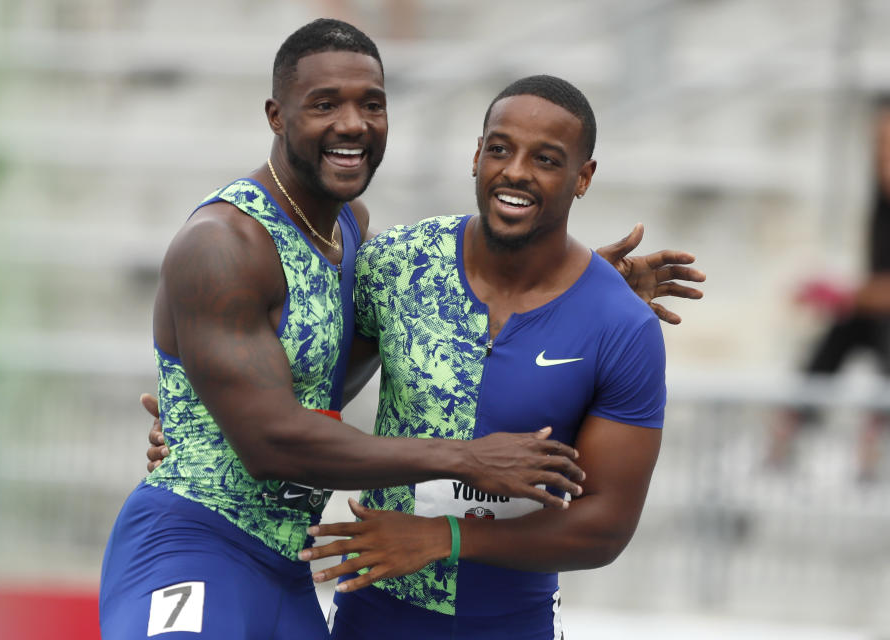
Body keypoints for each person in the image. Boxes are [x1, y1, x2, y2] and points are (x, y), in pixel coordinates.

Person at [145, 74, 702, 638]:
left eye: (547, 159)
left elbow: (606, 526)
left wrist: (446, 539)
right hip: (374, 614)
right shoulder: (400, 263)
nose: (515, 171)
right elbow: (299, 389)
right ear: (477, 154)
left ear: (582, 177)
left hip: (513, 622)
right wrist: (207, 430)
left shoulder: (621, 325)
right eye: (501, 149)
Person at [99, 20, 596, 640]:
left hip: (289, 569)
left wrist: (585, 295)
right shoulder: (223, 243)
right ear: (277, 116)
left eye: (372, 104)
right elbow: (271, 442)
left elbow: (382, 341)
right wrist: (465, 459)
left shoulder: (349, 225)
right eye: (325, 105)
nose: (353, 124)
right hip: (197, 540)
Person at [767, 95, 890, 479]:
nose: (882, 156)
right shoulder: (880, 206)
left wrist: (842, 294)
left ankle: (872, 444)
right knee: (843, 328)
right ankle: (787, 432)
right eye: (878, 145)